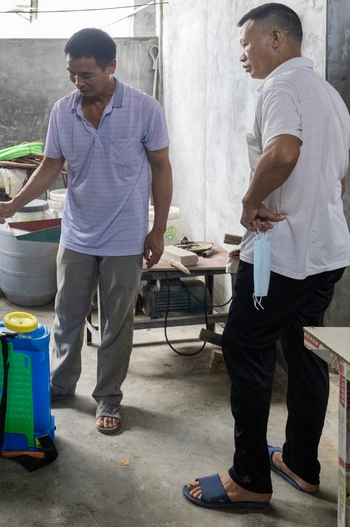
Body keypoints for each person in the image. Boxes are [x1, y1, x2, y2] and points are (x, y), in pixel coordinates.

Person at [184, 3, 350, 509]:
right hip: (326, 252)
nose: (242, 55)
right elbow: (340, 179)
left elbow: (283, 152)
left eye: (246, 43)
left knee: (245, 347)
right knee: (304, 354)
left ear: (276, 39)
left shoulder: (279, 87)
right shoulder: (330, 96)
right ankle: (301, 462)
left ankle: (250, 478)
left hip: (278, 256)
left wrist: (250, 202)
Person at [0, 28, 173, 434]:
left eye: (86, 74)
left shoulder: (144, 108)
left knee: (116, 323)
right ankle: (61, 384)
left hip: (125, 237)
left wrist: (157, 230)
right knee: (66, 315)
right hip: (76, 234)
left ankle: (108, 396)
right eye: (72, 74)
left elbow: (161, 167)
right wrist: (13, 206)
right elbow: (50, 166)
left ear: (111, 67)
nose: (78, 82)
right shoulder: (62, 111)